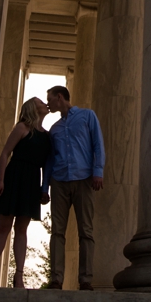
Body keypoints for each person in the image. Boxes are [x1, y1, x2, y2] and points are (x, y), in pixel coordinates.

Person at [0, 97, 53, 288]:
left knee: (22, 230)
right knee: (4, 226)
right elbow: (5, 153)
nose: (44, 104)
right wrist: (0, 179)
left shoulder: (47, 136)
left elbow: (47, 164)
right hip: (14, 176)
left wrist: (44, 188)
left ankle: (19, 276)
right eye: (41, 102)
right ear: (33, 107)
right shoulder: (21, 128)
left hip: (32, 181)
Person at [43, 85, 105, 290]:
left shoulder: (88, 116)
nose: (48, 104)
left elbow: (98, 144)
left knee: (85, 230)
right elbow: (50, 160)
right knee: (57, 232)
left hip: (84, 179)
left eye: (50, 99)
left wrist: (98, 171)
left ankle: (85, 279)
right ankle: (56, 279)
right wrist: (45, 187)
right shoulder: (55, 129)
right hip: (59, 182)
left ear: (59, 97)